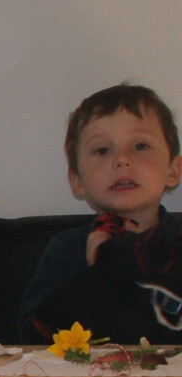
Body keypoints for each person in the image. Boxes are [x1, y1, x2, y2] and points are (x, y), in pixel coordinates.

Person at [16, 83, 182, 344]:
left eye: (140, 146)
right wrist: (103, 270)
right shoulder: (68, 248)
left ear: (173, 170)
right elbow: (32, 340)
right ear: (78, 180)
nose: (122, 160)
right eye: (102, 150)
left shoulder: (177, 246)